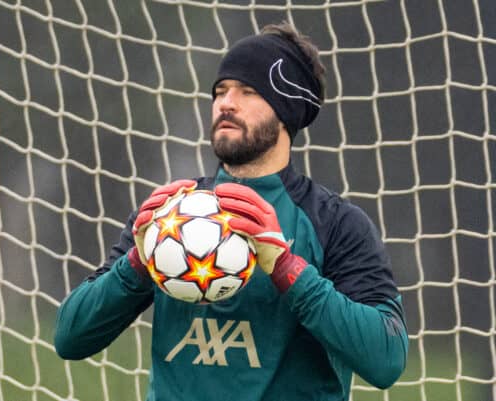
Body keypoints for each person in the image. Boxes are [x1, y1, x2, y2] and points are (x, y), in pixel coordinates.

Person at [54, 21, 408, 401]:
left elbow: (386, 360)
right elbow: (70, 338)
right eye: (220, 91)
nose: (226, 102)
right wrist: (138, 264)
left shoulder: (335, 223)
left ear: (286, 109)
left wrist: (289, 270)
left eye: (248, 91)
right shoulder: (169, 216)